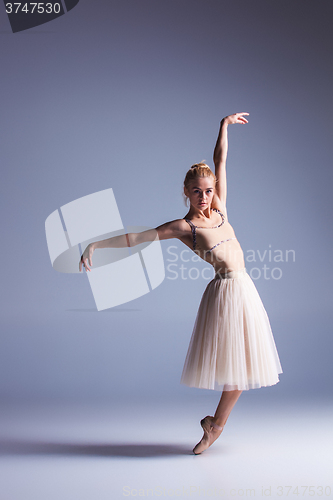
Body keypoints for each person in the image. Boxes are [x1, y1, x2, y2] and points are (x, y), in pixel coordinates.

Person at [79, 112, 283, 455]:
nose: (204, 196)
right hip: (225, 293)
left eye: (208, 190)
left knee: (246, 368)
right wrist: (95, 245)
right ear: (186, 193)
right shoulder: (184, 227)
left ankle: (213, 426)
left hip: (245, 289)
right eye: (196, 192)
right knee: (239, 369)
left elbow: (220, 159)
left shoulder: (220, 208)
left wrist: (223, 125)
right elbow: (137, 238)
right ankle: (215, 428)